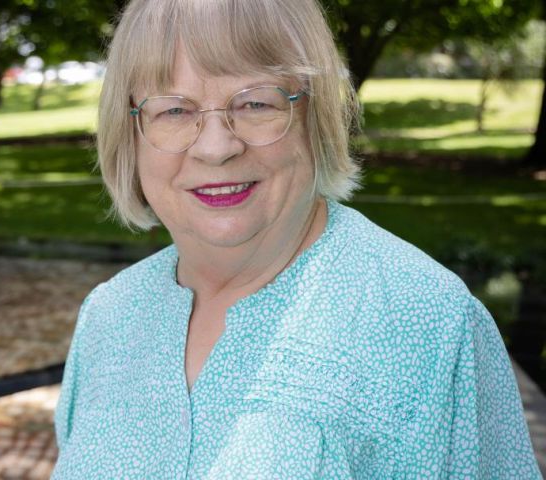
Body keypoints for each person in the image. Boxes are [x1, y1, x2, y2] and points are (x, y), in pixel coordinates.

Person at [51, 0, 541, 478]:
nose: (216, 147)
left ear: (316, 114)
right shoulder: (109, 315)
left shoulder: (426, 315)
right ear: (130, 132)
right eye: (174, 111)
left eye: (256, 102)